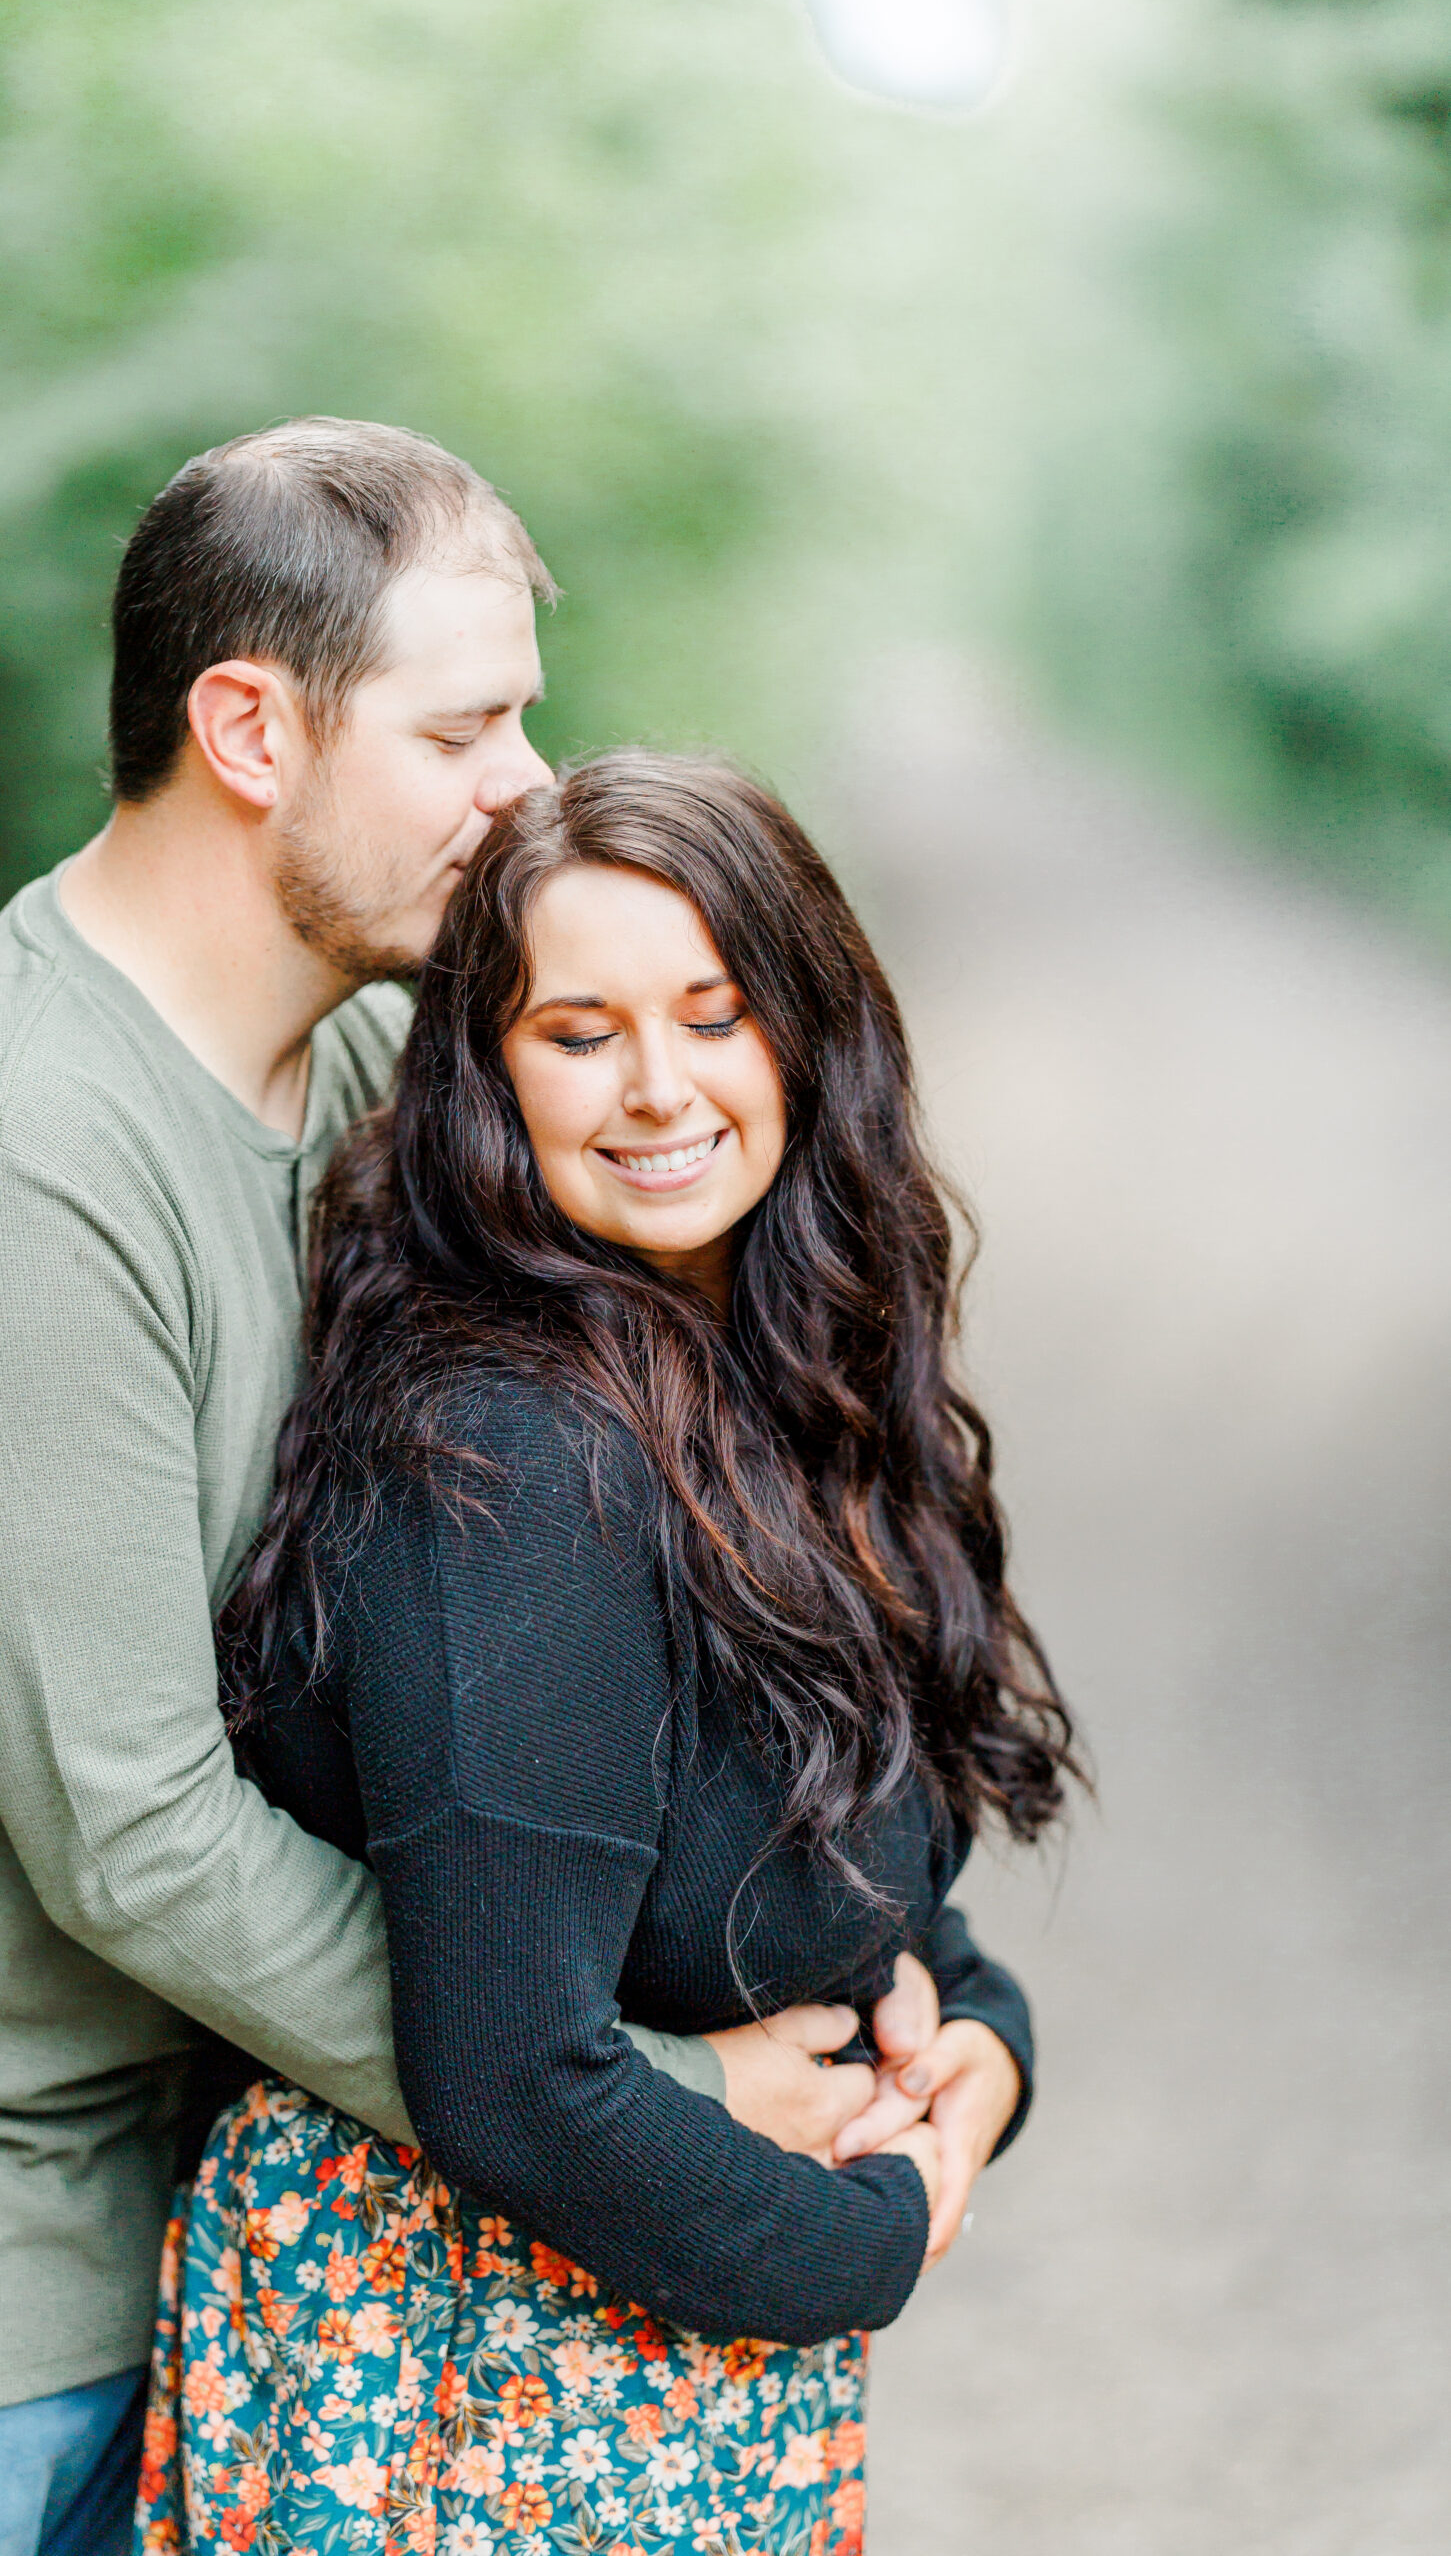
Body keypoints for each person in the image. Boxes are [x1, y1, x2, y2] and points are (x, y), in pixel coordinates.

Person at [0, 426, 892, 2556]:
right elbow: (133, 1829)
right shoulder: (8, 1159)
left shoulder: (364, 1067)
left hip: (188, 2213)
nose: (524, 783)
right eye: (463, 723)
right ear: (249, 726)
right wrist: (621, 2095)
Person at [137, 753, 1081, 2554]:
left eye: (715, 1015)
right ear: (489, 1076)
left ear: (810, 1032)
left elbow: (836, 1861)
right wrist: (879, 2232)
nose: (659, 1089)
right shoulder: (511, 1453)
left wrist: (981, 2046)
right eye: (579, 1033)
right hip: (458, 2388)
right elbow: (511, 2075)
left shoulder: (780, 1372)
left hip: (681, 2359)